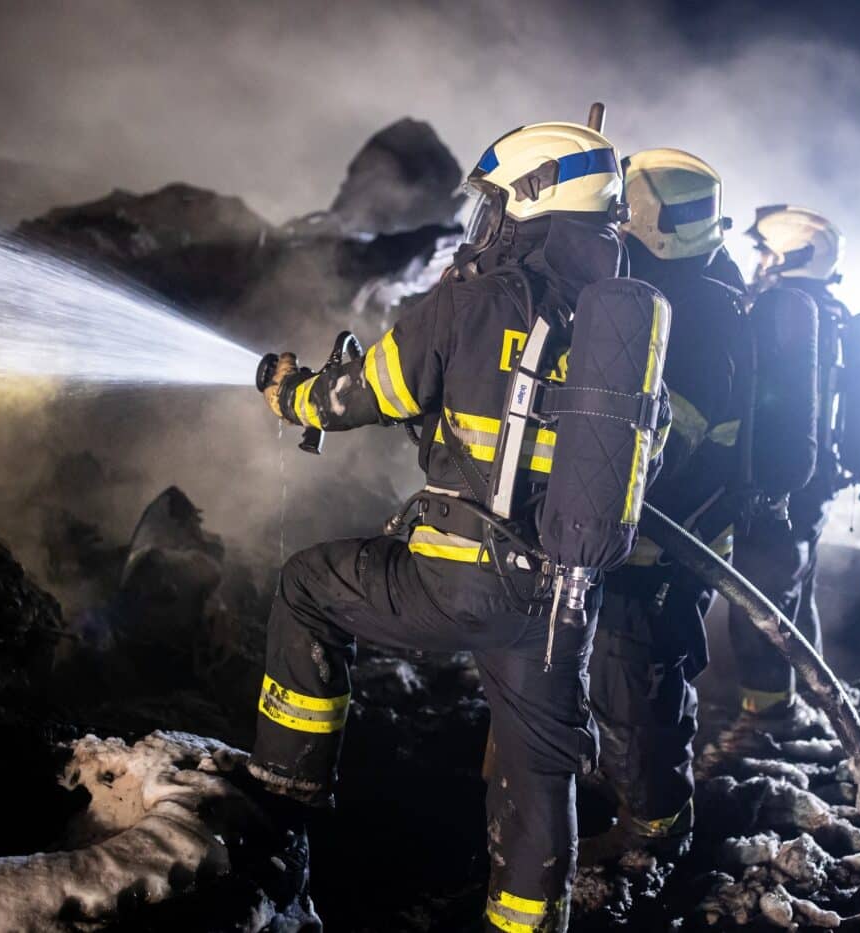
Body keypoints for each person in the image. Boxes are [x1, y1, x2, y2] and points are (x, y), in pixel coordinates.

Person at [245, 117, 670, 932]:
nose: (487, 222)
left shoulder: (471, 303)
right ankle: (523, 923)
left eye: (498, 204)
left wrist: (290, 393)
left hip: (455, 579)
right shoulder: (621, 322)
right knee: (538, 772)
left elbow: (356, 396)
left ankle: (285, 789)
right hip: (561, 602)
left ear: (534, 202)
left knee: (305, 585)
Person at [588, 148, 748, 853]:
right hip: (645, 533)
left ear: (653, 226)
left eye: (627, 212)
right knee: (616, 676)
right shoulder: (691, 281)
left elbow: (668, 440)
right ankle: (622, 790)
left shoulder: (702, 317)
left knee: (641, 685)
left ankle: (655, 828)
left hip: (663, 541)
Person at [728, 206, 847, 722]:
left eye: (765, 251)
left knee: (762, 603)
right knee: (797, 586)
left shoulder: (782, 313)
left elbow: (762, 402)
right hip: (814, 480)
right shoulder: (829, 311)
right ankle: (811, 692)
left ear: (791, 255)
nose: (758, 261)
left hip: (780, 483)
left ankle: (767, 715)